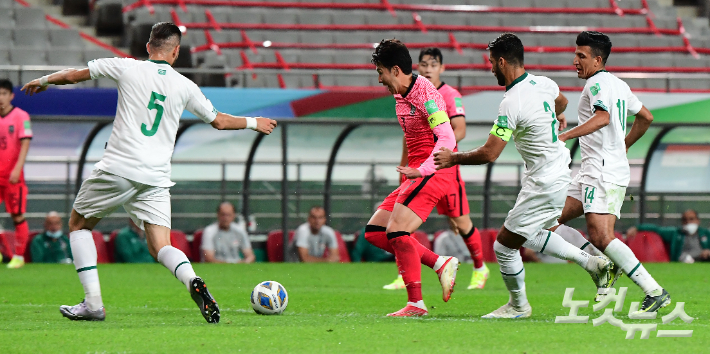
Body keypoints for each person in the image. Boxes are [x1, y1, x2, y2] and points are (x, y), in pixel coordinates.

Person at [21, 22, 277, 323]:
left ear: (147, 47)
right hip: (155, 177)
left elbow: (74, 75)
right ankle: (192, 279)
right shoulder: (185, 85)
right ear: (176, 51)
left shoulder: (125, 67)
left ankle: (93, 303)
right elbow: (219, 121)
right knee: (161, 246)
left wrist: (44, 80)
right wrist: (253, 122)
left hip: (119, 166)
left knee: (79, 225)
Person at [434, 33, 611, 319]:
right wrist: (555, 117)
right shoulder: (544, 83)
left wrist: (452, 158)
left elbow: (490, 153)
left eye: (492, 63)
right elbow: (562, 102)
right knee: (528, 235)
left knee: (503, 246)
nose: (491, 68)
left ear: (502, 62)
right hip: (556, 172)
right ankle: (592, 264)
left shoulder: (511, 103)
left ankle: (518, 306)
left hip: (543, 181)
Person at [550, 31, 669, 314]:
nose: (575, 60)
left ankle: (653, 290)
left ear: (597, 59)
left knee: (601, 236)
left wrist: (565, 137)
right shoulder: (617, 84)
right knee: (547, 217)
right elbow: (646, 117)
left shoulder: (597, 85)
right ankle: (599, 266)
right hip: (594, 170)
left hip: (602, 171)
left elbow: (602, 117)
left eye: (581, 56)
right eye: (575, 54)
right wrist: (623, 145)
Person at [363, 39, 461, 317]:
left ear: (395, 70)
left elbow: (447, 136)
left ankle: (416, 304)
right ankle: (439, 263)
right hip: (416, 172)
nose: (379, 79)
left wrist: (423, 169)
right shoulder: (400, 93)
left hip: (435, 169)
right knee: (375, 232)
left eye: (380, 72)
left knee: (397, 231)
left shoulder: (425, 94)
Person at [384, 48, 488, 291]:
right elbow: (408, 135)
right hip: (418, 168)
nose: (428, 69)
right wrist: (405, 167)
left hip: (442, 167)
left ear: (442, 68)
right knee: (400, 223)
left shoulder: (449, 95)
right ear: (417, 67)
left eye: (433, 64)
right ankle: (405, 273)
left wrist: (442, 150)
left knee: (460, 222)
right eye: (424, 64)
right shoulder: (407, 92)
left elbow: (458, 130)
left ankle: (480, 268)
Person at [0, 79, 32, 269]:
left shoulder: (21, 116)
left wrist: (17, 168)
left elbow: (25, 143)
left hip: (13, 175)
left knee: (17, 216)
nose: (0, 98)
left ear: (11, 96)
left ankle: (19, 257)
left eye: (4, 94)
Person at [627, 209, 710, 263]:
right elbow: (656, 229)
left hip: (701, 261)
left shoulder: (706, 233)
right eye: (685, 220)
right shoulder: (676, 233)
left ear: (698, 221)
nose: (688, 222)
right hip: (682, 262)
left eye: (691, 219)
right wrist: (637, 227)